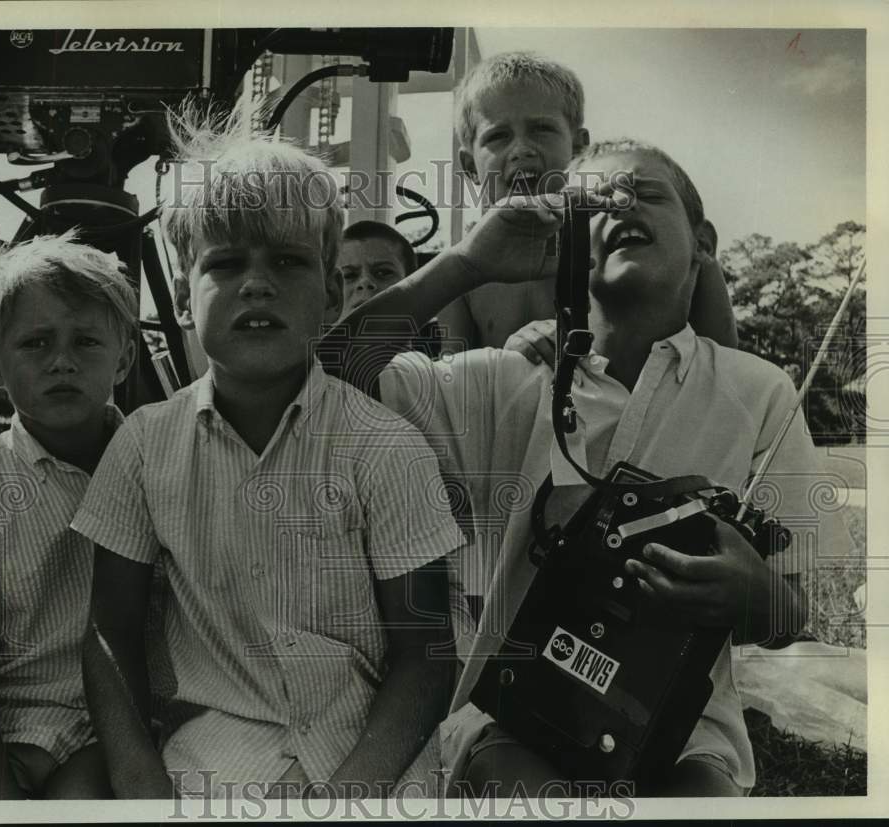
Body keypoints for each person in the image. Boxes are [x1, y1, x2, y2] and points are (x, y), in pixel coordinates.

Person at [328, 139, 844, 796]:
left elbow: (794, 609)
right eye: (597, 204)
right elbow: (324, 383)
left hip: (684, 736)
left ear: (703, 242)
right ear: (570, 249)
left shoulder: (761, 390)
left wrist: (758, 597)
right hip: (510, 723)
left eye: (647, 194)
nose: (623, 206)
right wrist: (463, 264)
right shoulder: (501, 384)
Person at [71, 110, 466, 800]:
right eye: (225, 263)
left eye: (286, 261)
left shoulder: (385, 446)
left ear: (332, 295)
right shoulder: (142, 446)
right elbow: (111, 634)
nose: (257, 284)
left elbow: (425, 659)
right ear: (186, 298)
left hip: (375, 755)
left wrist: (345, 798)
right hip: (209, 759)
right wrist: (140, 790)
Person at [0, 232, 136, 798]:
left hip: (135, 720)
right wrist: (1, 804)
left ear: (126, 357)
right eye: (35, 343)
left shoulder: (155, 461)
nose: (62, 362)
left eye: (87, 341)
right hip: (17, 732)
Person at [438, 51, 737, 356]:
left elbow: (723, 358)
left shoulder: (626, 239)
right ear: (469, 166)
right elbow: (455, 378)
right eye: (498, 136)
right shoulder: (462, 269)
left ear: (579, 146)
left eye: (541, 129)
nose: (522, 149)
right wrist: (509, 360)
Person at [337, 220, 442, 356]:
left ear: (414, 291)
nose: (365, 282)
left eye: (384, 273)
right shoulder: (309, 374)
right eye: (349, 275)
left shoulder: (440, 373)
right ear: (330, 294)